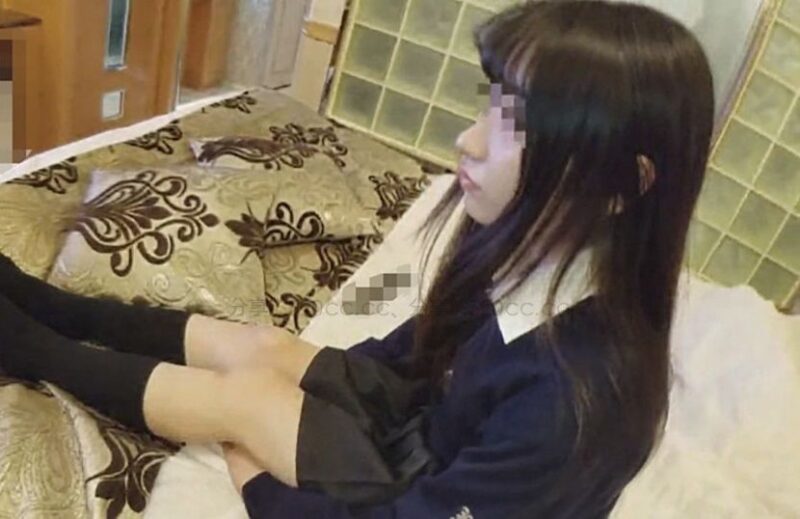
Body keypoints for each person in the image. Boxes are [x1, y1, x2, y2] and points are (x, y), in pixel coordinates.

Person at [0, 1, 714, 517]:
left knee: (246, 398)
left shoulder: (576, 403)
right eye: (490, 106)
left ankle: (28, 347)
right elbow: (417, 358)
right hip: (418, 427)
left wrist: (254, 476)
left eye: (516, 126)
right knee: (261, 347)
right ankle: (54, 308)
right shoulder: (534, 255)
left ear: (624, 184)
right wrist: (324, 379)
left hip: (424, 486)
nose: (467, 142)